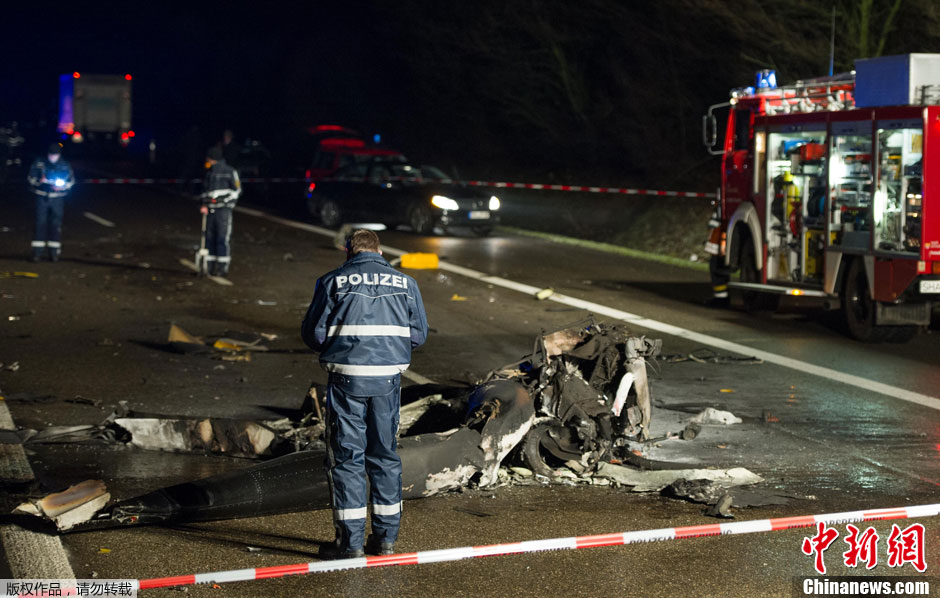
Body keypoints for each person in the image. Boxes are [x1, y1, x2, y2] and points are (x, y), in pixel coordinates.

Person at [301, 229, 429, 559]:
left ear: (349, 252)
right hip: (387, 381)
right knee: (384, 456)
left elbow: (314, 335)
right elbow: (418, 335)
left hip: (347, 380)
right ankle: (385, 540)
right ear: (379, 251)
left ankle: (350, 543)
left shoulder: (331, 281)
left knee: (347, 459)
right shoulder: (406, 283)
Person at [27, 143, 74, 262]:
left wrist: (62, 187)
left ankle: (54, 253)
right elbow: (30, 178)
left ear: (59, 155)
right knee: (40, 223)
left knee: (55, 225)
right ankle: (37, 253)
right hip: (41, 196)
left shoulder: (65, 164)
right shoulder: (39, 163)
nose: (53, 157)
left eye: (55, 155)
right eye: (51, 155)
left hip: (57, 198)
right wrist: (40, 181)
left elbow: (71, 181)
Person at [200, 146, 241, 276]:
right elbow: (205, 191)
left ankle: (222, 268)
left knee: (222, 238)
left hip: (223, 211)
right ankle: (210, 267)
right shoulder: (209, 173)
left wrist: (223, 201)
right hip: (210, 211)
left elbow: (237, 190)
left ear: (212, 159)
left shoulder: (230, 171)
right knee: (209, 238)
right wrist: (204, 204)